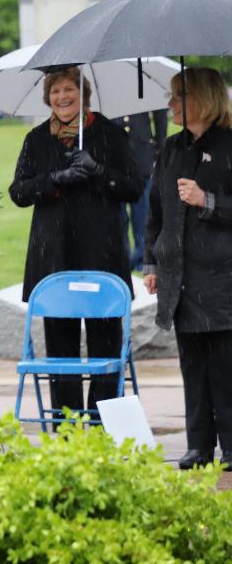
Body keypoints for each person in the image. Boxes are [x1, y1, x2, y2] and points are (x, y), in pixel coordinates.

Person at [9, 67, 142, 423]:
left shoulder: (111, 135)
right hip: (54, 256)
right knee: (61, 348)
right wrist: (54, 179)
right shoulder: (37, 139)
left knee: (105, 343)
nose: (62, 97)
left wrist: (98, 171)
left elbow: (133, 188)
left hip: (102, 254)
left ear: (84, 94)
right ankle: (66, 425)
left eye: (69, 90)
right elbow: (18, 192)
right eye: (55, 92)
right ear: (47, 97)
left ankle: (102, 423)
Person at [143, 67, 232, 470]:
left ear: (202, 99)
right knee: (192, 365)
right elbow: (156, 211)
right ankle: (198, 445)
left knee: (224, 367)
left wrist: (207, 200)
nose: (170, 104)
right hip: (180, 276)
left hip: (221, 276)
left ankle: (231, 447)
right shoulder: (172, 148)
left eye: (178, 96)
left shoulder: (229, 145)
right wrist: (152, 261)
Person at [112, 110, 168, 270]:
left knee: (142, 213)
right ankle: (122, 257)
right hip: (114, 155)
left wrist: (160, 146)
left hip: (141, 153)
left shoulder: (143, 84)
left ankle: (143, 258)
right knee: (118, 215)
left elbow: (160, 114)